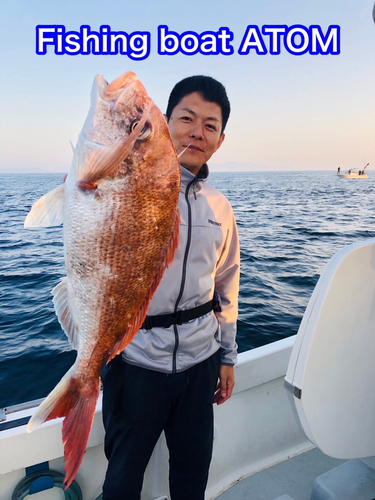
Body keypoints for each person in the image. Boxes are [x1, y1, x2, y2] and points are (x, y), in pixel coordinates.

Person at [102, 75, 240, 500]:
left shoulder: (220, 206)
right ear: (164, 121)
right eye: (187, 118)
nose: (198, 132)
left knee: (192, 476)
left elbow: (227, 284)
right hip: (136, 363)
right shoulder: (129, 184)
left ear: (220, 138)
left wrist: (227, 356)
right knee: (122, 480)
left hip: (200, 365)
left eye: (210, 125)